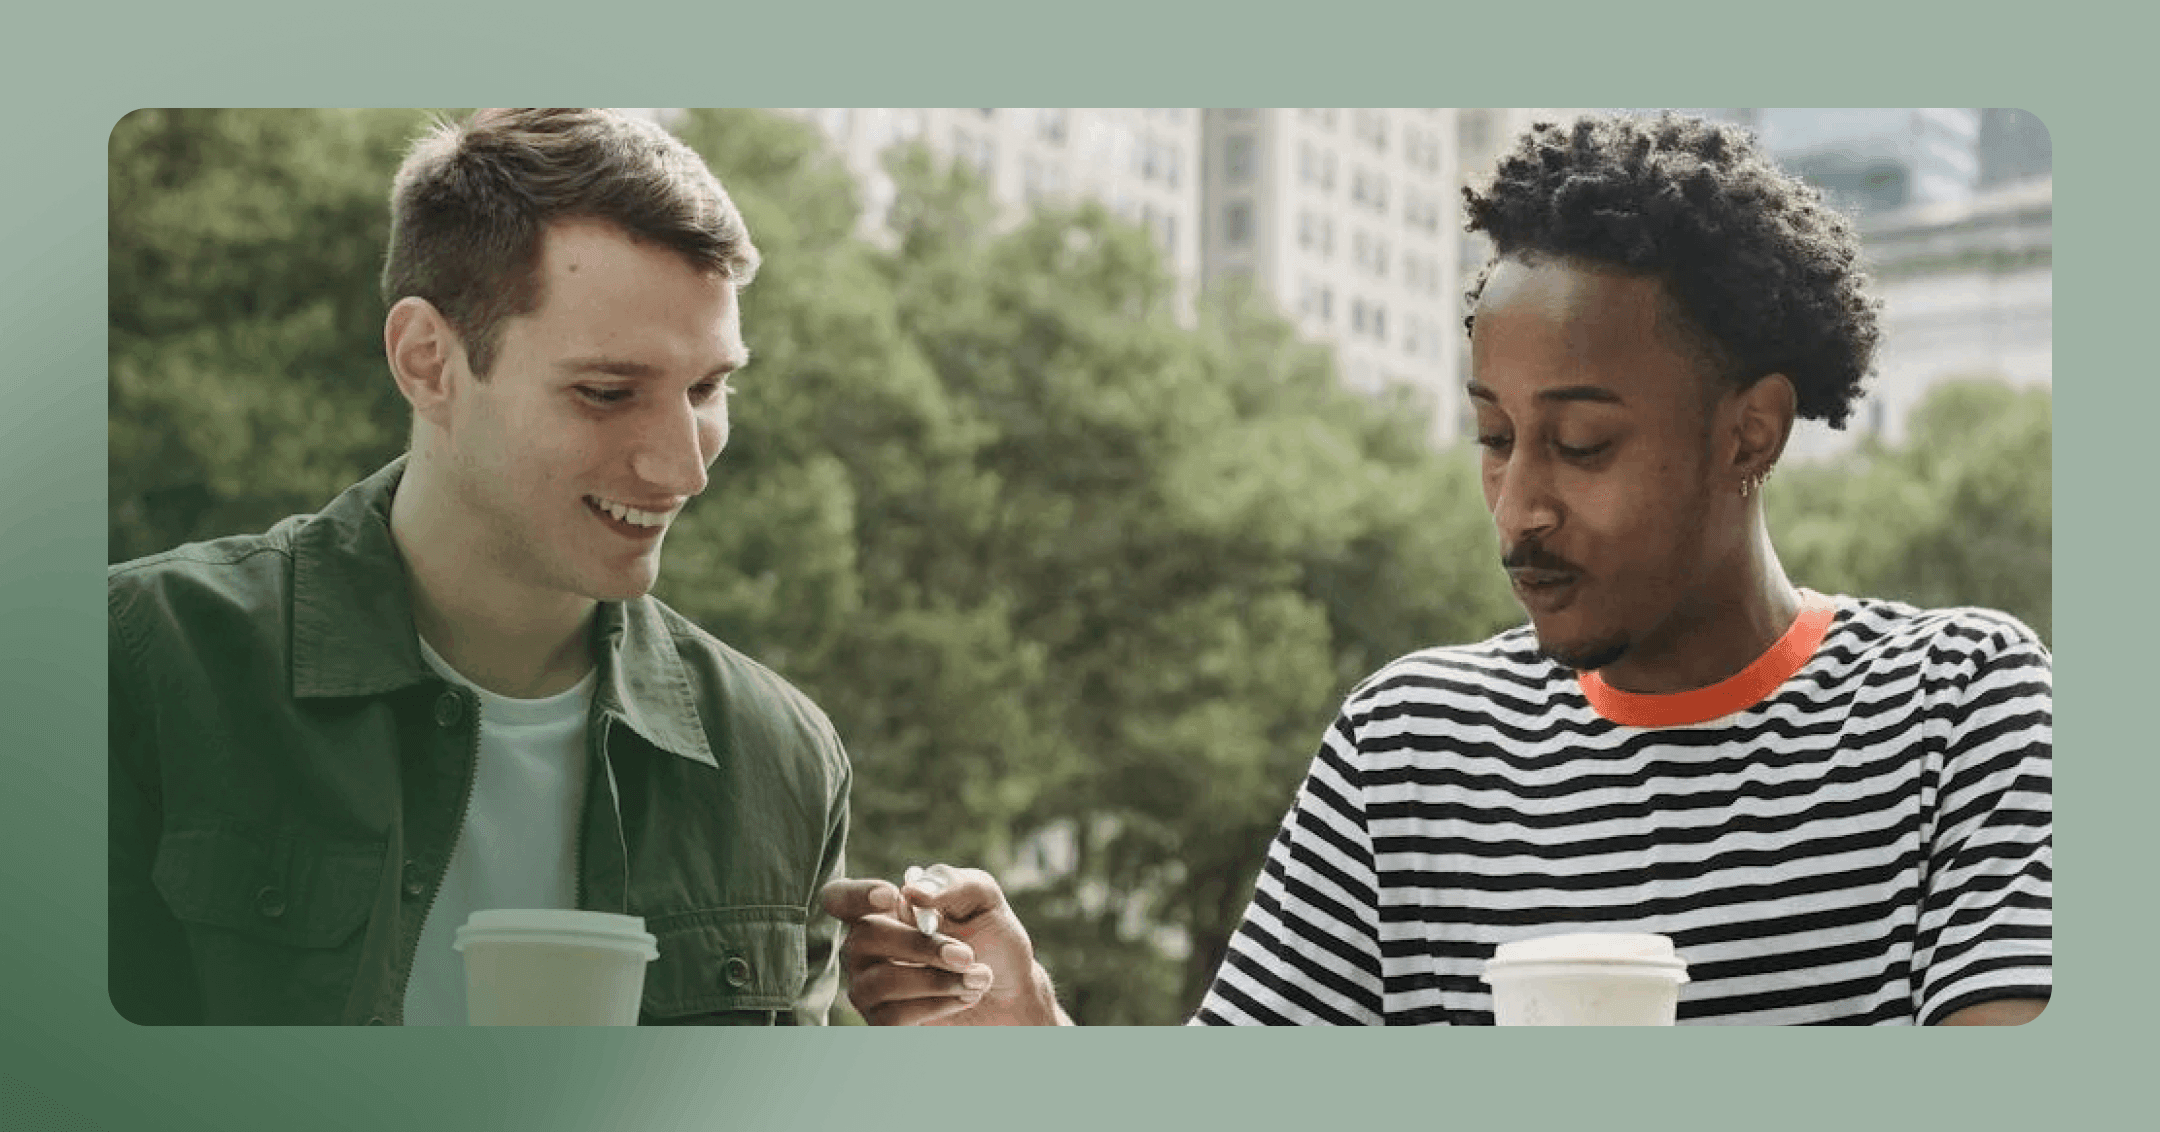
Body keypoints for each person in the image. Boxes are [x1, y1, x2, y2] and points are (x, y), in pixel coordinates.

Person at [820, 111, 2051, 1026]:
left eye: (1581, 444)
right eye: (1494, 438)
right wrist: (1027, 1033)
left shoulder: (1962, 708)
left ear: (1751, 432)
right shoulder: (1411, 744)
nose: (1520, 507)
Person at [108, 108, 851, 1026]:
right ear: (428, 362)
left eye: (706, 388)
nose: (684, 468)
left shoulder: (781, 758)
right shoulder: (132, 669)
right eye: (607, 393)